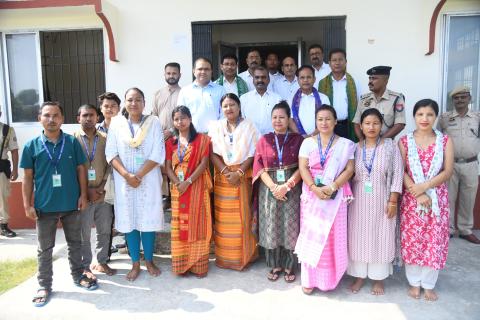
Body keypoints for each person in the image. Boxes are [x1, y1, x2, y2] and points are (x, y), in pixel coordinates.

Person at [20, 101, 92, 307]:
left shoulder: (71, 142)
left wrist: (83, 195)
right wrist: (27, 205)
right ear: (39, 118)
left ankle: (78, 276)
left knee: (75, 244)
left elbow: (81, 170)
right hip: (44, 206)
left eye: (56, 115)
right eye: (47, 115)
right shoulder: (31, 146)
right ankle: (44, 285)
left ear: (62, 119)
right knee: (45, 249)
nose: (51, 119)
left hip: (71, 203)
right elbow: (27, 178)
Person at [105, 87, 165, 281]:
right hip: (125, 183)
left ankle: (149, 260)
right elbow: (111, 153)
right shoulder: (116, 124)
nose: (133, 103)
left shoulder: (153, 122)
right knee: (129, 221)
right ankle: (135, 263)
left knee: (147, 221)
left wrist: (138, 175)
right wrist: (127, 175)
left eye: (138, 99)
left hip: (148, 180)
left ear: (144, 103)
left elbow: (158, 153)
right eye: (130, 100)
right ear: (125, 103)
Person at [294, 104, 355, 295]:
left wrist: (333, 186)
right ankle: (309, 279)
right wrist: (313, 187)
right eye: (320, 119)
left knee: (331, 237)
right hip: (312, 197)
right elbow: (303, 168)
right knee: (312, 235)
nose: (324, 122)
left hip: (335, 197)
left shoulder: (346, 144)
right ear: (316, 122)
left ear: (336, 121)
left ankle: (329, 279)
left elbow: (350, 169)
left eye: (328, 118)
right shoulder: (308, 143)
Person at [399, 99, 453, 301]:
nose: (424, 119)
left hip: (436, 199)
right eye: (420, 114)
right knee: (413, 240)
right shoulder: (404, 141)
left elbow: (447, 171)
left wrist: (426, 187)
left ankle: (429, 284)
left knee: (433, 240)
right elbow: (401, 171)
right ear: (414, 116)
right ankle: (414, 282)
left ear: (435, 117)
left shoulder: (445, 141)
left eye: (429, 114)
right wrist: (418, 192)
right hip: (413, 198)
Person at [347, 108, 403, 295]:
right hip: (359, 200)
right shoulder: (355, 148)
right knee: (359, 236)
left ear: (381, 126)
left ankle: (378, 278)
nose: (371, 127)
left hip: (382, 198)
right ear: (361, 127)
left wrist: (393, 200)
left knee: (381, 235)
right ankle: (360, 275)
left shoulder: (390, 146)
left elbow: (397, 173)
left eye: (376, 123)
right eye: (367, 123)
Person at [252, 101, 303, 282]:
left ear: (289, 119)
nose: (278, 121)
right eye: (274, 117)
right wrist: (274, 187)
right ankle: (275, 264)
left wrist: (287, 185)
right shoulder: (264, 140)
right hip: (269, 190)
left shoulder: (298, 140)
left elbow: (303, 167)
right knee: (271, 226)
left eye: (282, 117)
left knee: (290, 225)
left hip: (292, 188)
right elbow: (258, 167)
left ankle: (290, 266)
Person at [209, 93, 260, 270]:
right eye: (225, 106)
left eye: (232, 105)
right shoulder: (216, 127)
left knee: (243, 217)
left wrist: (238, 172)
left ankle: (245, 256)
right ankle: (225, 258)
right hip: (222, 178)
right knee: (223, 219)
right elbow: (212, 153)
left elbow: (254, 152)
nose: (229, 108)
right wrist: (225, 171)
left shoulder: (249, 126)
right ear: (221, 109)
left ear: (239, 107)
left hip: (242, 176)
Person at [165, 106, 212, 277]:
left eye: (183, 118)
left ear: (190, 119)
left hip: (197, 186)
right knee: (180, 225)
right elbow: (168, 167)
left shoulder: (202, 140)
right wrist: (178, 182)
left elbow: (204, 163)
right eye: (176, 119)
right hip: (178, 189)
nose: (180, 122)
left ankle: (198, 263)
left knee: (198, 223)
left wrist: (189, 181)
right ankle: (183, 263)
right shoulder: (171, 143)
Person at [74, 104, 115, 277]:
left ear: (97, 118)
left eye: (91, 115)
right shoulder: (72, 140)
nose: (88, 118)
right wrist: (85, 191)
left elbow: (110, 165)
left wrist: (101, 186)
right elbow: (72, 168)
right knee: (83, 232)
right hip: (82, 195)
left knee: (104, 230)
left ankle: (102, 261)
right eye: (85, 115)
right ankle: (85, 265)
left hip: (102, 193)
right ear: (78, 119)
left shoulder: (106, 138)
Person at [437, 86, 480, 244]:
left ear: (469, 98)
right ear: (452, 100)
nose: (460, 100)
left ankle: (465, 229)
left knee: (468, 198)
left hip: (471, 163)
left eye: (463, 97)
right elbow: (438, 139)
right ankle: (447, 229)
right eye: (456, 98)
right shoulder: (445, 118)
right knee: (448, 197)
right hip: (450, 164)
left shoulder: (477, 117)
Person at [152, 62, 182, 208]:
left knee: (175, 165)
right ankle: (165, 197)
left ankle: (175, 193)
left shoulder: (184, 93)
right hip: (160, 136)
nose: (171, 76)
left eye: (174, 73)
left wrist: (171, 131)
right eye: (169, 73)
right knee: (162, 166)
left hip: (177, 136)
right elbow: (154, 115)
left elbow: (185, 115)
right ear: (164, 75)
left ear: (179, 75)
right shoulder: (158, 94)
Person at [353, 66, 406, 140]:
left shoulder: (397, 98)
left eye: (374, 78)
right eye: (370, 78)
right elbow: (356, 123)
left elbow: (400, 124)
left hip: (386, 145)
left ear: (385, 80)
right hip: (366, 145)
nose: (370, 82)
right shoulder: (363, 99)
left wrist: (380, 142)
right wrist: (362, 141)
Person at [318, 48, 361, 141]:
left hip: (348, 126)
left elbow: (359, 105)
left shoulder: (354, 82)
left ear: (345, 62)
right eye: (334, 60)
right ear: (329, 63)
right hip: (328, 126)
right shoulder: (322, 83)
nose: (337, 63)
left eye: (340, 59)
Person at [177, 57, 226, 133]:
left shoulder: (220, 90)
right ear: (194, 71)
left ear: (211, 71)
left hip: (215, 137)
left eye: (206, 69)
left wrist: (218, 132)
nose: (203, 72)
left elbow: (224, 114)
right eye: (200, 69)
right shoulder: (185, 91)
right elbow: (181, 115)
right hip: (192, 137)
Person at [289, 65, 331, 137]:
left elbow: (327, 120)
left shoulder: (323, 98)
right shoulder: (291, 99)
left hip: (320, 138)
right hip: (298, 139)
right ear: (298, 80)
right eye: (302, 77)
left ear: (314, 79)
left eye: (309, 77)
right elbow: (290, 120)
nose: (305, 80)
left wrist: (312, 135)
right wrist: (302, 136)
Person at [240, 66, 282, 135]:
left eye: (263, 77)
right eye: (257, 77)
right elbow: (240, 121)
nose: (260, 80)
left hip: (271, 140)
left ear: (269, 80)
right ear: (253, 80)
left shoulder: (277, 99)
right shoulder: (244, 99)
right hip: (250, 140)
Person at [0, 110, 19, 238]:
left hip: (1, 167)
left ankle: (3, 226)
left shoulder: (7, 130)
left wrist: (15, 170)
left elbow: (14, 151)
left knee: (2, 198)